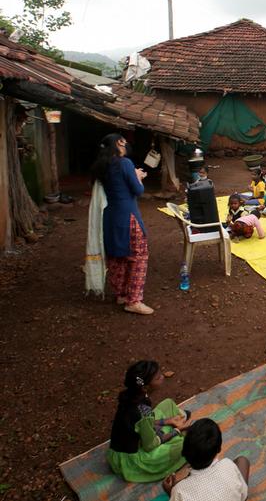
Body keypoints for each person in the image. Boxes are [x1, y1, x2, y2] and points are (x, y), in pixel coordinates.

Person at [91, 134, 153, 315]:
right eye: (124, 142)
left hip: (110, 217)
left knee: (117, 256)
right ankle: (134, 301)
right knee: (139, 256)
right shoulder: (124, 163)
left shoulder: (102, 166)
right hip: (128, 216)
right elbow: (138, 190)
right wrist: (138, 176)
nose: (126, 146)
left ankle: (121, 295)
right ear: (119, 143)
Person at [107, 360, 188, 482]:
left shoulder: (131, 396)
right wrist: (176, 431)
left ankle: (169, 430)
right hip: (131, 460)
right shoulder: (142, 412)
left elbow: (139, 424)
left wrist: (167, 421)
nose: (163, 377)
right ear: (145, 387)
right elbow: (150, 446)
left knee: (168, 403)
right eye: (158, 378)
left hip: (126, 443)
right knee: (185, 444)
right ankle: (176, 436)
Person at [163, 419, 250, 501]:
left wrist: (170, 491)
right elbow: (242, 494)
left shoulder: (179, 490)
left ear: (185, 452)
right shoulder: (228, 464)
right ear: (219, 449)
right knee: (242, 460)